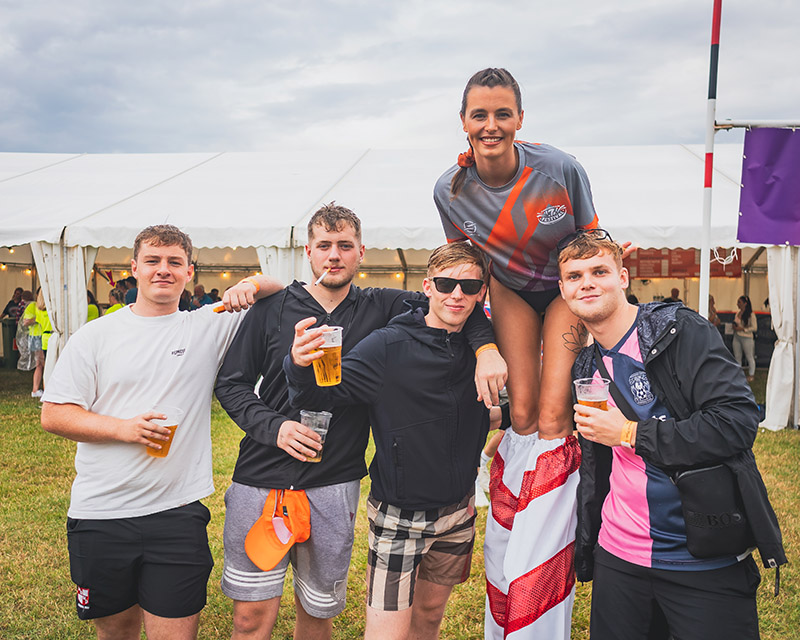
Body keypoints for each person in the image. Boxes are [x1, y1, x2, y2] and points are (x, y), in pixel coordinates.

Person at [214, 203, 505, 640]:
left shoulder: (382, 306)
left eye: (345, 246)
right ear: (308, 252)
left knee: (317, 612)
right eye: (324, 246)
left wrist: (486, 350)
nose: (334, 255)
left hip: (335, 478)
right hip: (261, 472)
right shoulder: (272, 307)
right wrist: (275, 428)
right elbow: (231, 383)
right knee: (249, 619)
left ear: (361, 252)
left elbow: (456, 305)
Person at [434, 67, 615, 638]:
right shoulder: (449, 190)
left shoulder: (559, 169)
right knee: (522, 414)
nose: (491, 125)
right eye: (479, 115)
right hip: (509, 290)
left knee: (555, 415)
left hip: (561, 287)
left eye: (502, 113)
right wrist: (483, 345)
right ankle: (515, 517)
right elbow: (466, 271)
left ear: (520, 119)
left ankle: (547, 543)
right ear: (463, 121)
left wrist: (604, 279)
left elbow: (591, 239)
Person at [39, 224, 283, 640]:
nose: (163, 269)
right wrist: (124, 429)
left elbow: (281, 288)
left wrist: (251, 283)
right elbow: (55, 414)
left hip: (177, 513)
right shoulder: (95, 336)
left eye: (175, 261)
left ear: (189, 271)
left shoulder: (208, 325)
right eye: (152, 260)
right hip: (102, 513)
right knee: (116, 632)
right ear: (134, 268)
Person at [558, 229, 786, 640]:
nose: (586, 283)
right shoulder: (585, 366)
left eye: (599, 271)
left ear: (623, 278)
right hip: (619, 555)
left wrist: (629, 432)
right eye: (575, 276)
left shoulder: (678, 330)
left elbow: (736, 421)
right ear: (563, 290)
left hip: (703, 554)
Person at [285, 242, 502, 640]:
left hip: (459, 510)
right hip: (400, 516)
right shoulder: (387, 345)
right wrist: (298, 365)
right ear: (428, 287)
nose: (457, 294)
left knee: (430, 618)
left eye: (469, 287)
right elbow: (320, 395)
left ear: (481, 293)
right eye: (446, 284)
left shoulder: (482, 348)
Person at [22, 288, 49, 398]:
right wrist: (36, 319)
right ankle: (39, 389)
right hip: (37, 337)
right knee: (42, 364)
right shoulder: (33, 306)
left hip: (40, 336)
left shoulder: (40, 307)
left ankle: (37, 389)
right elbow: (26, 322)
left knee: (41, 364)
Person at [733, 295, 756, 382]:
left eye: (739, 302)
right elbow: (736, 323)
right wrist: (735, 327)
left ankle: (751, 375)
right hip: (737, 337)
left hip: (747, 338)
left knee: (749, 356)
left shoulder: (751, 315)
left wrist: (743, 329)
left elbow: (754, 327)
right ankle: (738, 374)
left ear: (745, 304)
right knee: (737, 356)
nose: (737, 304)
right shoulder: (737, 313)